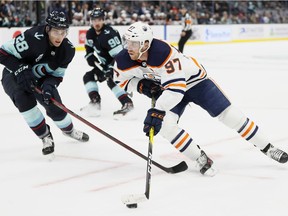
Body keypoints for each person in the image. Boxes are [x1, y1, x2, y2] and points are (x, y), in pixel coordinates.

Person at [113, 21, 288, 176]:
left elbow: (176, 90)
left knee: (231, 116)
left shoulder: (162, 52)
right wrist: (142, 86)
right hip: (169, 89)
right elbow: (120, 81)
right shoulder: (123, 59)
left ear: (145, 44)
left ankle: (268, 147)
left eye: (133, 43)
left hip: (196, 82)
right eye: (127, 42)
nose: (129, 47)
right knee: (166, 127)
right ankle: (200, 158)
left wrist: (157, 110)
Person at [0, 11, 89, 158]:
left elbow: (56, 75)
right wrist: (20, 69)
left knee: (55, 106)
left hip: (40, 76)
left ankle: (69, 130)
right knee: (23, 100)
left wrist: (49, 86)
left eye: (63, 32)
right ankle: (45, 136)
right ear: (48, 28)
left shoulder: (68, 50)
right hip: (14, 74)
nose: (59, 37)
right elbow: (2, 53)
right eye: (55, 32)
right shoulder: (32, 37)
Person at [80, 8, 134, 119]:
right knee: (88, 77)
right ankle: (95, 103)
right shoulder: (90, 33)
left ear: (103, 20)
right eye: (94, 20)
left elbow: (120, 57)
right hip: (105, 65)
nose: (96, 23)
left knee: (111, 80)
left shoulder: (109, 34)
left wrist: (110, 69)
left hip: (120, 64)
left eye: (99, 20)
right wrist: (90, 56)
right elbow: (88, 47)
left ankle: (127, 103)